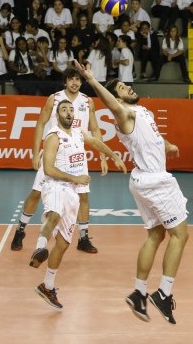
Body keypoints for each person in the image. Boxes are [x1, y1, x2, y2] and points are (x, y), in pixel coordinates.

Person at [72, 61, 190, 325]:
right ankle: (163, 293)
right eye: (122, 89)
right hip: (155, 181)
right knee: (180, 235)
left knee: (156, 235)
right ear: (117, 98)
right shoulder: (124, 113)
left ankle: (138, 293)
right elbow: (112, 104)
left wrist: (168, 146)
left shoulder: (142, 111)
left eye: (127, 85)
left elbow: (154, 138)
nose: (128, 88)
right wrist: (91, 80)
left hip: (143, 179)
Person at [29, 100, 126, 309]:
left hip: (72, 193)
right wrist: (76, 178)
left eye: (71, 109)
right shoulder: (54, 137)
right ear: (57, 115)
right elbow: (48, 170)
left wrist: (112, 155)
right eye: (64, 109)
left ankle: (47, 285)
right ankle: (39, 248)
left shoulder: (78, 132)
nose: (69, 112)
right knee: (53, 215)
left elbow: (96, 142)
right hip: (55, 186)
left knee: (63, 244)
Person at [10, 68, 108, 253]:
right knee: (36, 193)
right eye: (71, 79)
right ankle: (20, 230)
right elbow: (40, 123)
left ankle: (83, 237)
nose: (74, 82)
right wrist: (34, 153)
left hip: (76, 156)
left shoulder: (87, 101)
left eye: (78, 79)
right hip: (53, 155)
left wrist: (103, 156)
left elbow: (95, 129)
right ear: (65, 82)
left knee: (83, 196)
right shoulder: (54, 99)